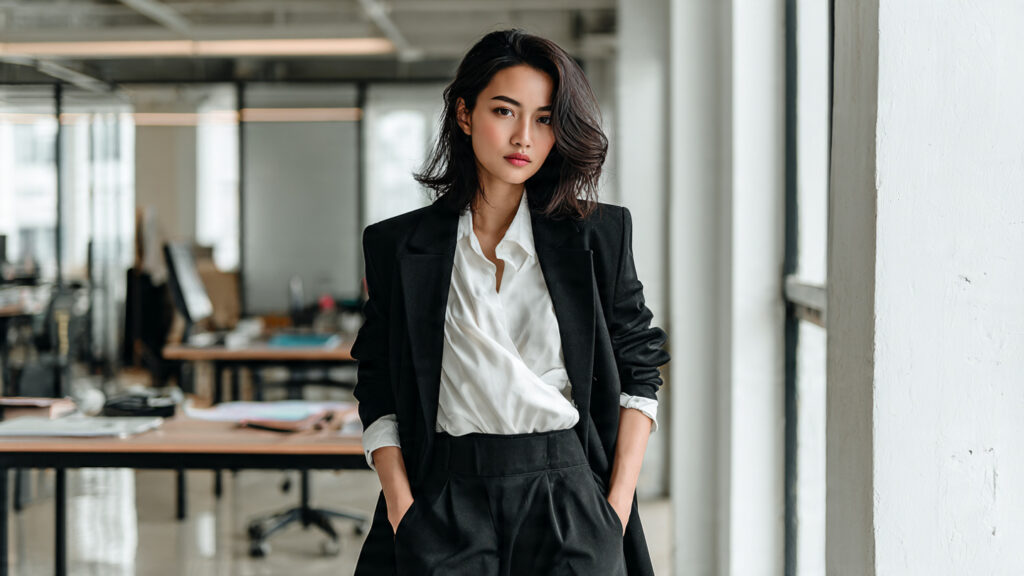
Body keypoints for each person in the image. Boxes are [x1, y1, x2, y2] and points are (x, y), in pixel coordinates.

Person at [351, 28, 670, 576]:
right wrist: (402, 507)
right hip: (447, 494)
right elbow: (377, 382)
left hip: (568, 494)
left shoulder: (599, 235)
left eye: (544, 119)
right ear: (464, 113)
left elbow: (641, 370)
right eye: (505, 111)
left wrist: (614, 510)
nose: (524, 137)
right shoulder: (397, 246)